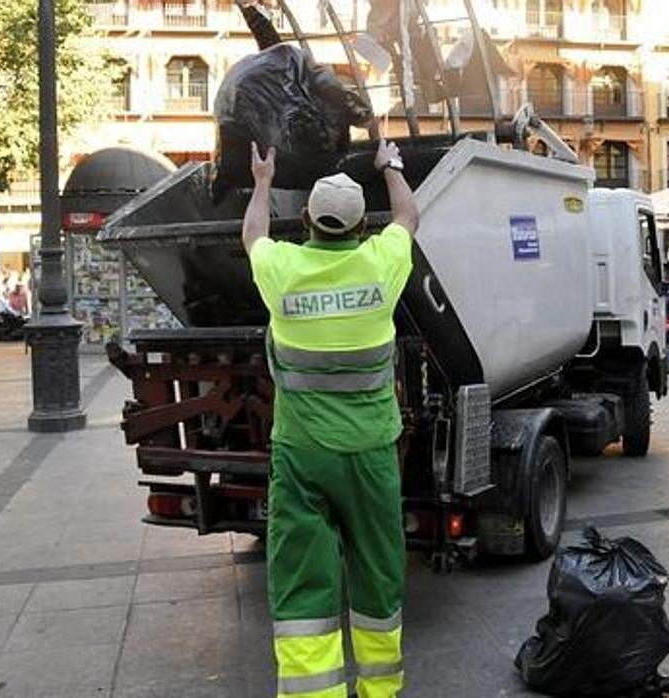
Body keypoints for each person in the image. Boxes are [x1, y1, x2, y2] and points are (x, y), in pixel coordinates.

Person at [244, 138, 417, 698]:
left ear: (305, 221)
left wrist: (263, 180)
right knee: (377, 572)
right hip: (370, 454)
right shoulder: (380, 265)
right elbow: (411, 215)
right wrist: (389, 166)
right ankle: (380, 691)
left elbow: (252, 236)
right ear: (363, 226)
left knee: (301, 581)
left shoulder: (283, 270)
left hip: (301, 456)